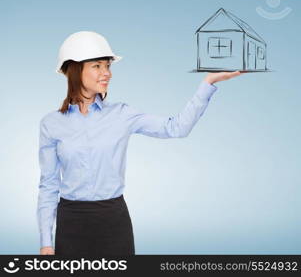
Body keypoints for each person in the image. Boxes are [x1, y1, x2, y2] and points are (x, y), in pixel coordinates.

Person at [37, 31, 242, 256]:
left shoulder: (122, 114)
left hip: (113, 220)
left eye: (108, 66)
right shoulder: (51, 124)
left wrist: (208, 83)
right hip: (71, 223)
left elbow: (176, 128)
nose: (107, 73)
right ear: (75, 70)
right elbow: (48, 185)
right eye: (97, 66)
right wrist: (46, 242)